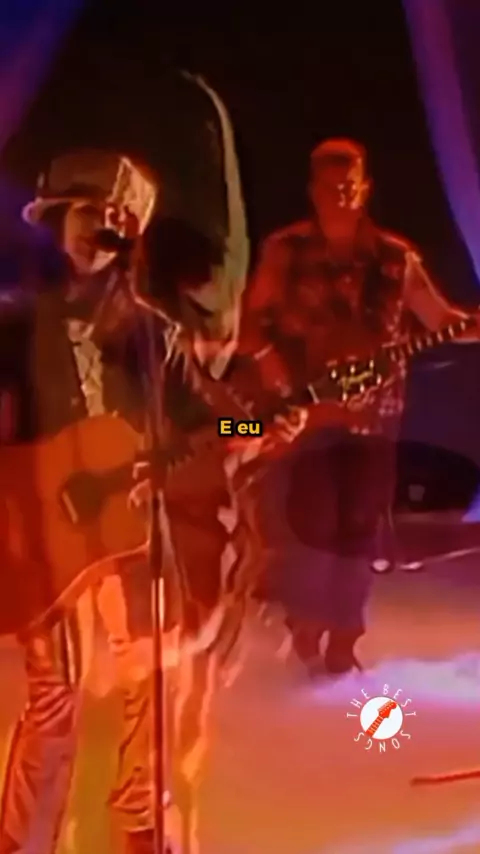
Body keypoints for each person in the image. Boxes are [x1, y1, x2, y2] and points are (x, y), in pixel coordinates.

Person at [241, 137, 480, 678]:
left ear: (365, 189)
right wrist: (271, 371)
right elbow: (249, 323)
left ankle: (343, 639)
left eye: (349, 187)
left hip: (375, 420)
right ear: (313, 191)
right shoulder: (285, 251)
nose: (341, 196)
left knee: (359, 527)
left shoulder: (396, 258)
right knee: (314, 522)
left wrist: (470, 326)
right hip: (304, 418)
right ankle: (306, 629)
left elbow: (440, 319)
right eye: (330, 187)